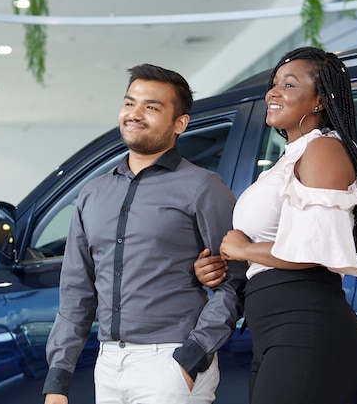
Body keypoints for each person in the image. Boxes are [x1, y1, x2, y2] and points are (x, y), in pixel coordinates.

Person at [42, 63, 247, 404]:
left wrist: (191, 357)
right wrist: (57, 381)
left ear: (180, 123)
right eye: (129, 103)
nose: (135, 114)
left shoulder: (202, 187)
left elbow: (236, 281)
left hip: (171, 359)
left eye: (151, 107)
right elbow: (76, 292)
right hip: (107, 365)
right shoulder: (93, 193)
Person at [206, 47, 357, 404]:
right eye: (274, 84)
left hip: (305, 324)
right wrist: (224, 261)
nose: (273, 92)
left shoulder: (324, 149)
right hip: (277, 329)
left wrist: (243, 249)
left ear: (319, 100)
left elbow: (312, 249)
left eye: (289, 84)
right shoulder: (291, 158)